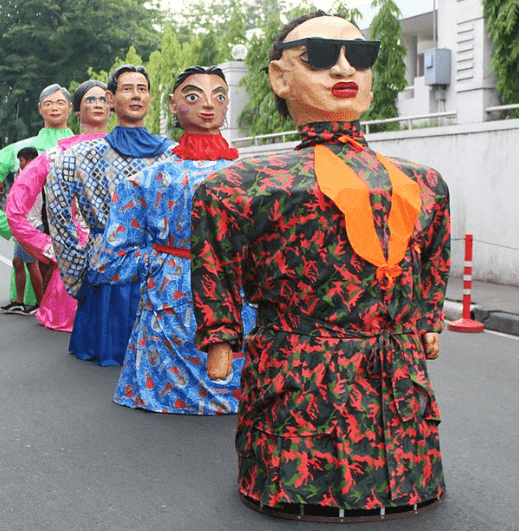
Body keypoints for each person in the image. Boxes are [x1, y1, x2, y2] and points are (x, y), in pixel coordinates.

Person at [190, 11, 450, 521]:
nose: (343, 69)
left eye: (360, 55)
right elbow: (212, 261)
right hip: (302, 371)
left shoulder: (425, 184)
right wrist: (220, 335)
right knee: (303, 457)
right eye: (322, 57)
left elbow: (432, 260)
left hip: (395, 371)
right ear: (280, 76)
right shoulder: (239, 186)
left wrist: (425, 320)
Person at [99, 66, 255, 414]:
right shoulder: (148, 179)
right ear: (172, 104)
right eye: (193, 96)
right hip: (171, 296)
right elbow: (112, 256)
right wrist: (162, 262)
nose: (208, 105)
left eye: (219, 95)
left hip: (235, 293)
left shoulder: (253, 176)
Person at [46, 65, 175, 367]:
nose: (136, 95)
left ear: (150, 97)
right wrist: (75, 269)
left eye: (142, 89)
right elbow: (57, 209)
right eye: (127, 88)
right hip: (106, 264)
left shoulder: (172, 154)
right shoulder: (79, 155)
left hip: (160, 266)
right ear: (111, 98)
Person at [6, 80, 111, 332]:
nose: (97, 105)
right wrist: (48, 247)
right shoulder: (58, 154)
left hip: (121, 251)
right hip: (77, 250)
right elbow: (15, 207)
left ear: (113, 105)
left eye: (103, 99)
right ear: (76, 109)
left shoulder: (133, 152)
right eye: (90, 99)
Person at [0, 83, 74, 309]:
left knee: (45, 266)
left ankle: (47, 304)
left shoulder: (82, 145)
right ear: (40, 109)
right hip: (33, 225)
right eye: (48, 103)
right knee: (28, 264)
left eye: (60, 103)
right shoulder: (24, 148)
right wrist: (6, 224)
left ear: (70, 107)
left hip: (65, 226)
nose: (55, 108)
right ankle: (34, 302)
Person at [0, 147, 44, 316]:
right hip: (23, 226)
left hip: (32, 227)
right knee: (18, 262)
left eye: (21, 161)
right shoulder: (25, 176)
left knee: (32, 265)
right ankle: (19, 302)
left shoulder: (36, 176)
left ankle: (41, 305)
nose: (20, 164)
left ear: (29, 160)